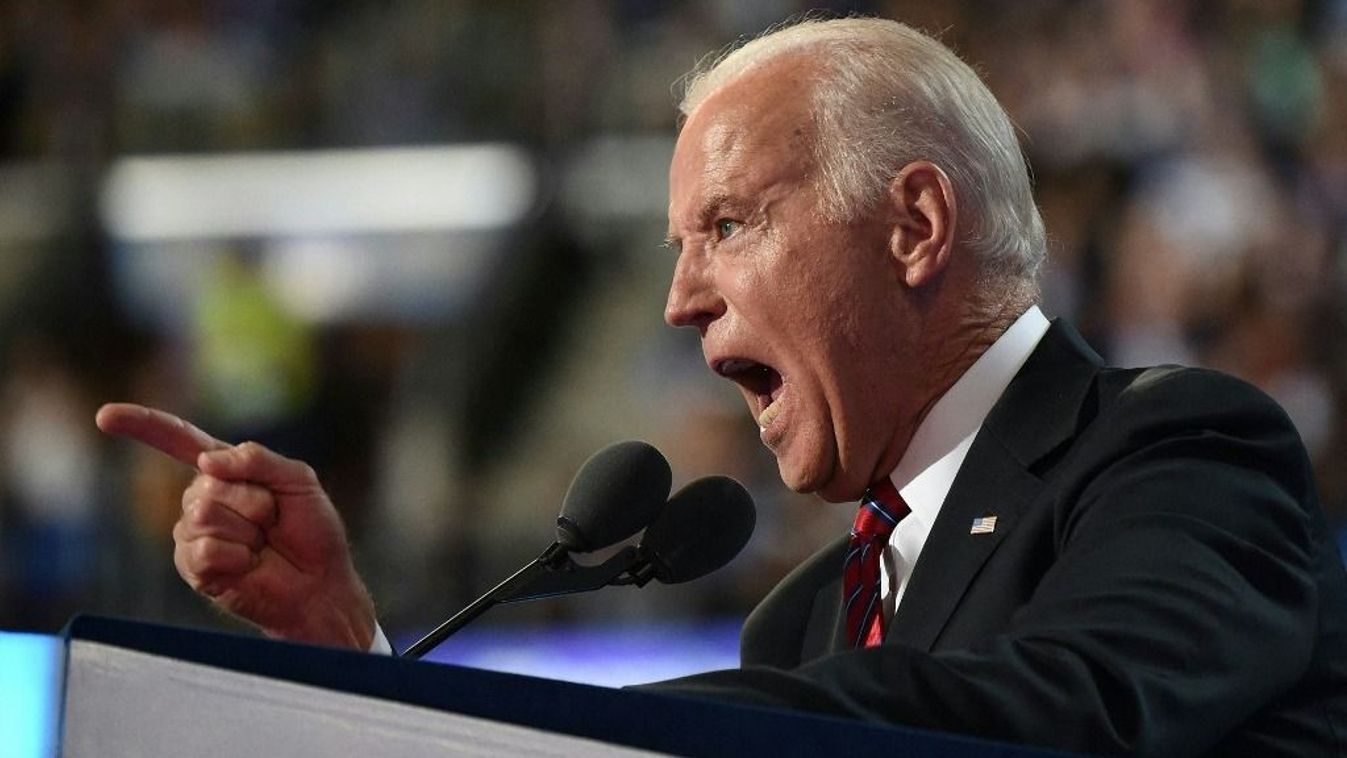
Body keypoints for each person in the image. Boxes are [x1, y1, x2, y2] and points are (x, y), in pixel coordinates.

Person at [96, 17, 1347, 755]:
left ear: (913, 223)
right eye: (678, 247)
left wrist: (609, 730)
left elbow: (1074, 710)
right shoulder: (801, 620)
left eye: (730, 226)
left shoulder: (1177, 448)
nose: (679, 299)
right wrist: (361, 662)